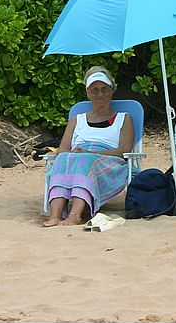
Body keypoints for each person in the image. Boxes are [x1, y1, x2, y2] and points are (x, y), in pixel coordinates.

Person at [42, 66, 135, 227]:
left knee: (84, 160)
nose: (100, 94)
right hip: (77, 158)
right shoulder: (77, 119)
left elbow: (124, 150)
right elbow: (63, 148)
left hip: (109, 161)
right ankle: (55, 215)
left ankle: (75, 215)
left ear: (112, 90)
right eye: (94, 90)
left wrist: (88, 153)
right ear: (87, 93)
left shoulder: (123, 119)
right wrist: (75, 153)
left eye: (104, 89)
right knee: (63, 158)